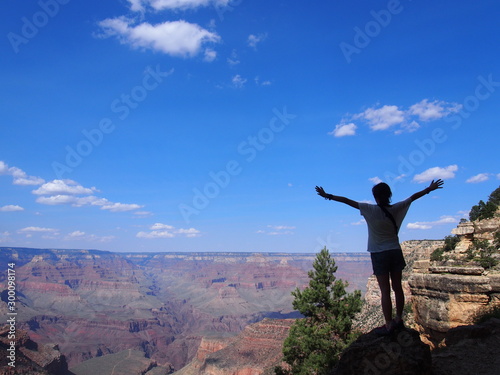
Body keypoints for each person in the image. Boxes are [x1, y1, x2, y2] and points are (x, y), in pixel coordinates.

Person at [315, 179, 444, 335]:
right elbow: (413, 197)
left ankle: (388, 323)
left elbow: (346, 201)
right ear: (389, 195)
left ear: (375, 197)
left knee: (384, 290)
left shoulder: (369, 209)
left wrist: (327, 195)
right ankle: (399, 318)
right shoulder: (397, 208)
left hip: (378, 254)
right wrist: (429, 189)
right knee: (397, 288)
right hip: (395, 251)